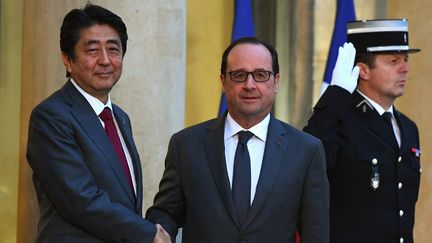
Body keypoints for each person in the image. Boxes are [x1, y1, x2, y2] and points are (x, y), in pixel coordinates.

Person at [146, 37, 329, 243]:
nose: (249, 85)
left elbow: (315, 234)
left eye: (260, 75)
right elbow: (166, 213)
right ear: (223, 81)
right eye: (239, 75)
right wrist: (157, 232)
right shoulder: (186, 145)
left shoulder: (305, 150)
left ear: (276, 82)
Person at [26, 4, 171, 243]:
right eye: (92, 51)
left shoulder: (120, 118)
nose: (105, 60)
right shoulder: (51, 116)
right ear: (68, 60)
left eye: (113, 49)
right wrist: (148, 233)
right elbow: (80, 200)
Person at [304, 19, 421, 243]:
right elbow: (307, 158)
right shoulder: (339, 120)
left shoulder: (408, 127)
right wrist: (336, 95)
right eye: (393, 61)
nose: (405, 68)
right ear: (363, 70)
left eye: (405, 59)